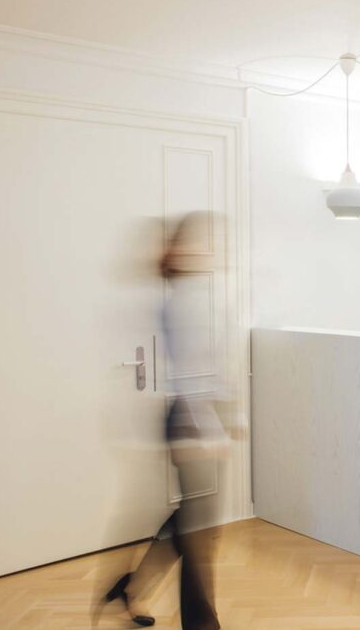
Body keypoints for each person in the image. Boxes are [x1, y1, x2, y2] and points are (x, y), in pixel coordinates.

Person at [95, 212, 240, 630]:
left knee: (190, 521)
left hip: (203, 416)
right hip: (192, 419)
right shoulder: (182, 301)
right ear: (180, 249)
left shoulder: (200, 295)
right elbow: (191, 374)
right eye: (201, 241)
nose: (211, 248)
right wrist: (212, 429)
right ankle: (201, 623)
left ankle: (131, 587)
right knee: (199, 530)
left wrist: (233, 415)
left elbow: (216, 364)